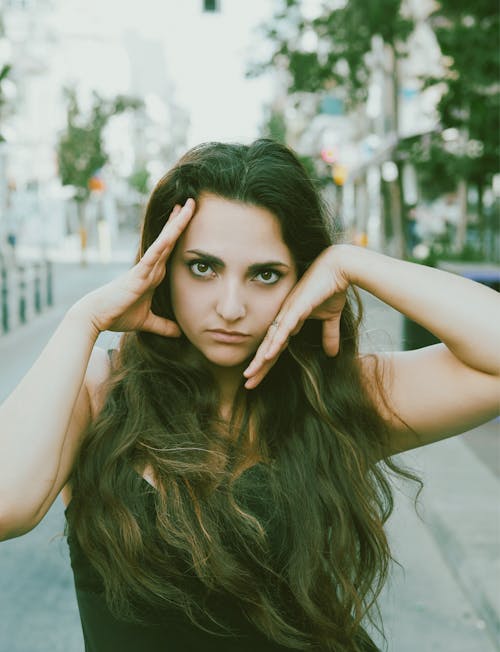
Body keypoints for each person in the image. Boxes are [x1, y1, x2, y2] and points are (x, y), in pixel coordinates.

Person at [0, 139, 498, 652]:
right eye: (202, 267)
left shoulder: (331, 396)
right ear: (162, 267)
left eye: (265, 274)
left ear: (299, 279)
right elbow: (6, 504)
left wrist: (353, 263)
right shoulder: (101, 397)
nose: (231, 307)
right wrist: (84, 319)